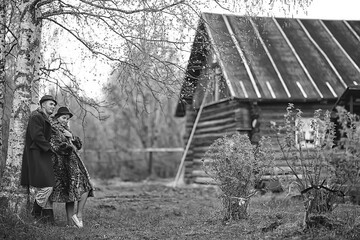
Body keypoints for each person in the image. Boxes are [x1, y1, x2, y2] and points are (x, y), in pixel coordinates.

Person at [49, 106, 94, 228]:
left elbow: (78, 144)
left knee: (81, 188)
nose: (65, 120)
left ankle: (74, 219)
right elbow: (56, 147)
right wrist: (70, 147)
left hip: (74, 163)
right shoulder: (53, 129)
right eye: (64, 118)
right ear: (57, 117)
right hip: (63, 165)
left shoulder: (65, 129)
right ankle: (75, 219)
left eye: (67, 118)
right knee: (77, 189)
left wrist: (71, 137)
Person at [20, 95, 57, 224]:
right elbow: (37, 136)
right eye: (51, 104)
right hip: (37, 154)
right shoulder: (37, 116)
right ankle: (35, 215)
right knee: (47, 186)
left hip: (43, 154)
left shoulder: (44, 118)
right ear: (43, 105)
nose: (53, 106)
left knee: (48, 186)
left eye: (54, 104)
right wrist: (50, 148)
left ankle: (48, 220)